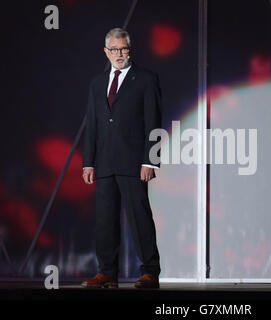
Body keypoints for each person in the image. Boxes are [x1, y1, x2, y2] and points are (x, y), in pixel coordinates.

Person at [81, 28, 162, 288]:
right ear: (106, 51)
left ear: (130, 50)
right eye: (113, 49)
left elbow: (154, 121)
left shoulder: (146, 79)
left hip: (135, 162)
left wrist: (150, 161)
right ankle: (107, 272)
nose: (119, 54)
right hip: (104, 163)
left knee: (140, 218)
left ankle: (149, 271)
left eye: (123, 49)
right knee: (105, 220)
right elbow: (92, 124)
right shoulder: (96, 83)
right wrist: (88, 162)